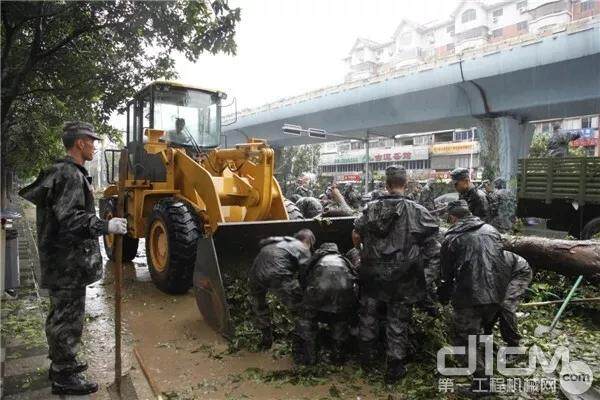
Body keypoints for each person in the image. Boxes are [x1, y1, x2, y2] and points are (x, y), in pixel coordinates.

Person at [18, 122, 128, 395]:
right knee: (66, 319)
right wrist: (106, 226)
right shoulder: (69, 175)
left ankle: (62, 364)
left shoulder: (67, 172)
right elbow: (71, 219)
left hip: (63, 261)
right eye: (91, 141)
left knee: (64, 316)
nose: (94, 146)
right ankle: (64, 376)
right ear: (80, 143)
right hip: (66, 263)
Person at [353, 165, 440, 384]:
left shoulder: (370, 209)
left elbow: (356, 232)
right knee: (397, 321)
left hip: (372, 274)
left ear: (386, 184)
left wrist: (363, 252)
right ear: (406, 183)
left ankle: (365, 360)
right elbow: (433, 247)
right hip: (402, 278)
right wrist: (426, 277)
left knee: (368, 316)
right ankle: (394, 368)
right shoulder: (417, 211)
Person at [438, 200, 511, 394]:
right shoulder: (491, 230)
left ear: (452, 217)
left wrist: (443, 299)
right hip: (497, 293)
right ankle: (487, 376)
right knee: (483, 336)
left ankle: (482, 385)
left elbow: (445, 276)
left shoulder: (452, 237)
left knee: (463, 340)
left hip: (470, 295)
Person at [247, 229, 315, 349]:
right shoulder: (302, 247)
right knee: (299, 305)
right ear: (307, 241)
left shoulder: (278, 242)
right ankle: (305, 341)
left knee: (259, 305)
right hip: (278, 273)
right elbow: (305, 275)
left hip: (255, 274)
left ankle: (266, 339)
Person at [294, 243, 358, 365]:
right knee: (340, 320)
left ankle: (309, 356)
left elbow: (303, 273)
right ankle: (338, 357)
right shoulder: (343, 259)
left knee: (306, 317)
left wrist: (304, 295)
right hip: (343, 290)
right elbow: (355, 275)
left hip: (318, 289)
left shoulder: (317, 256)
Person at [486, 250, 532, 348]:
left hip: (519, 272)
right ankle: (486, 338)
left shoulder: (491, 259)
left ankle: (514, 344)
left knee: (506, 304)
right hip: (502, 273)